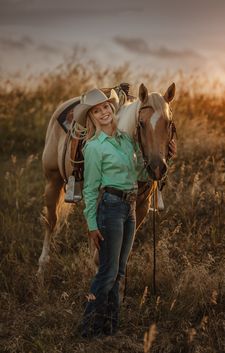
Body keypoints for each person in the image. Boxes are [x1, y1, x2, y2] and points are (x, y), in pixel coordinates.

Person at [73, 87, 176, 338]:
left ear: (112, 109)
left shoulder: (125, 140)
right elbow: (89, 190)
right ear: (92, 117)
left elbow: (137, 173)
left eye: (106, 107)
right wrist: (91, 224)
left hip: (129, 208)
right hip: (110, 207)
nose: (103, 112)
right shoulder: (95, 147)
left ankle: (110, 327)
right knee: (107, 272)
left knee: (119, 271)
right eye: (97, 111)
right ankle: (87, 328)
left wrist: (162, 162)